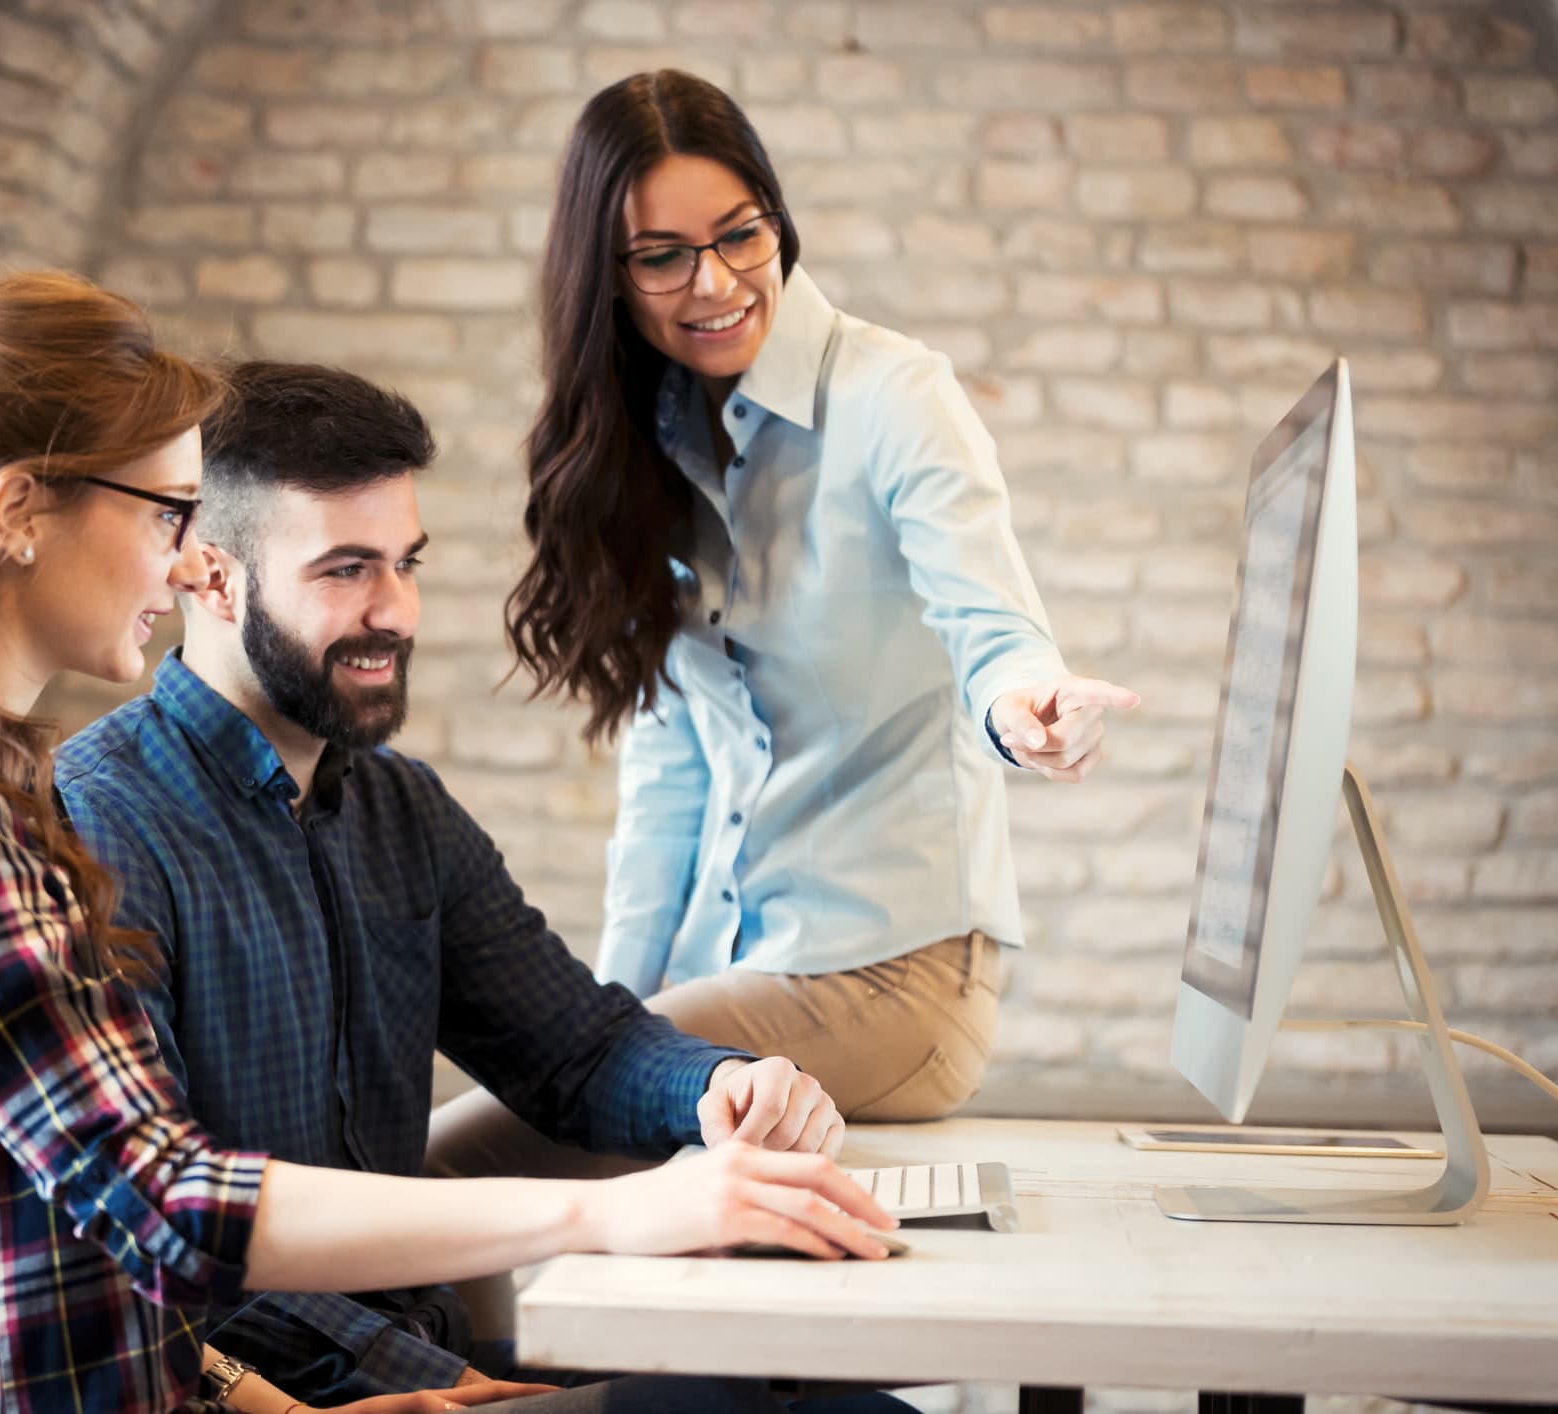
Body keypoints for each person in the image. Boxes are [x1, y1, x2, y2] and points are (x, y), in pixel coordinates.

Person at [0, 271, 901, 1414]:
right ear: (20, 514)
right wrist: (612, 1218)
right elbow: (165, 1201)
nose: (179, 551)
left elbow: (94, 1264)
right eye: (163, 512)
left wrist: (711, 1102)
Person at [54, 361, 878, 1406]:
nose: (395, 612)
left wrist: (719, 1086)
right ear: (210, 577)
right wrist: (445, 1378)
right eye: (346, 570)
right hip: (300, 1391)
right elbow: (154, 1234)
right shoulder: (95, 825)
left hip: (430, 1350)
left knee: (822, 1390)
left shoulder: (406, 812)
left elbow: (578, 1048)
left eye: (407, 564)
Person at [429, 71, 1142, 1181]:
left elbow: (987, 624)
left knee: (451, 1161)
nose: (712, 282)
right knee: (540, 1110)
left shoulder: (896, 397)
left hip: (896, 983)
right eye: (662, 255)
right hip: (742, 981)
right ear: (606, 277)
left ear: (776, 216)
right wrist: (599, 1023)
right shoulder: (651, 444)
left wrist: (1025, 709)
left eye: (739, 235)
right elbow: (671, 771)